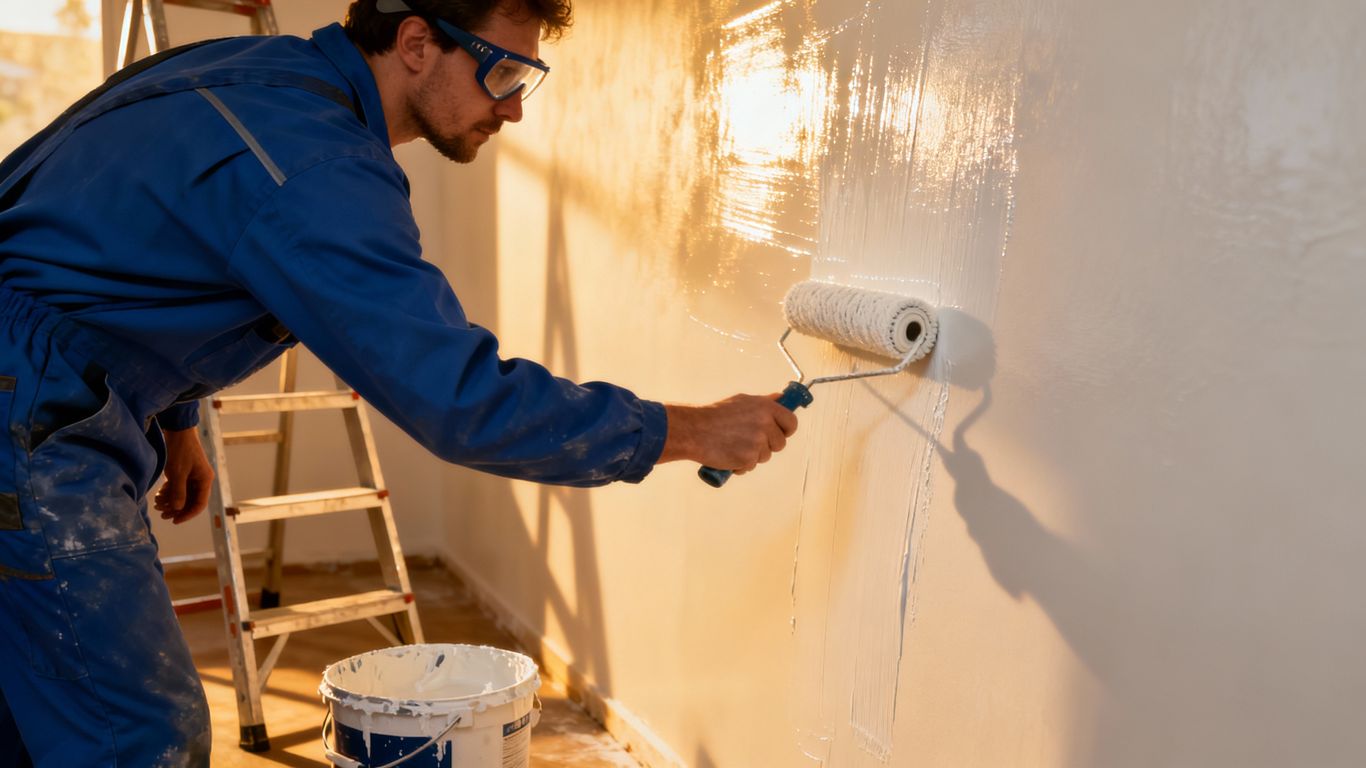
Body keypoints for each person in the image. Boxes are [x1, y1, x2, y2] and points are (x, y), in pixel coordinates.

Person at [0, 0, 798, 763]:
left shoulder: (259, 72)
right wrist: (687, 429)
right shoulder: (318, 165)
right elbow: (460, 402)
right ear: (418, 42)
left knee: (31, 714)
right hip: (29, 407)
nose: (515, 108)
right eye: (505, 74)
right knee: (136, 736)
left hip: (49, 380)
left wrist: (174, 419)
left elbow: (132, 253)